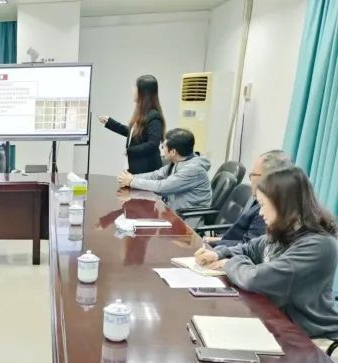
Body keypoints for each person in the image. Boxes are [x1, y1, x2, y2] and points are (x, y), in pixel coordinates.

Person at [195, 167, 338, 339]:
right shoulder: (285, 231)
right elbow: (249, 248)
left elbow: (255, 279)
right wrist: (218, 254)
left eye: (263, 205)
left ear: (283, 205)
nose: (260, 212)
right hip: (277, 320)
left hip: (310, 336)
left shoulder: (318, 245)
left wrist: (229, 262)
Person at [204, 150, 293, 247]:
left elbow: (248, 247)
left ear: (268, 178)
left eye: (253, 174)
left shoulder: (268, 212)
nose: (251, 179)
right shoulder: (263, 202)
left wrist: (214, 243)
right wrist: (217, 240)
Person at [117, 128, 211, 213]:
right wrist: (129, 178)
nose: (162, 150)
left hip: (187, 219)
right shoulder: (179, 161)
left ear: (173, 152)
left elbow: (162, 187)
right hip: (174, 213)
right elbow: (156, 175)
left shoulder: (192, 169)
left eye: (163, 147)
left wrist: (132, 181)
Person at [98, 75, 166, 174]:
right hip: (137, 168)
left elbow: (153, 144)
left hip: (147, 172)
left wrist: (130, 150)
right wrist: (110, 123)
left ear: (143, 93)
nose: (132, 90)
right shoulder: (143, 113)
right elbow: (134, 133)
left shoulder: (154, 116)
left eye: (135, 87)